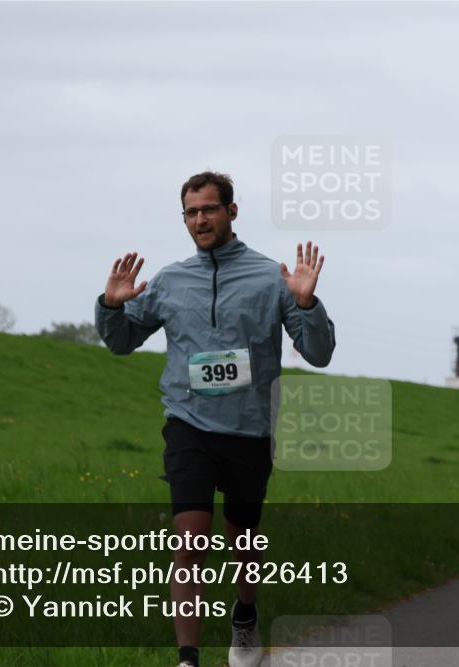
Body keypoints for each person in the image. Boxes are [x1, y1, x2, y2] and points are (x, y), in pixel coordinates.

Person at [95, 172, 336, 667]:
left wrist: (307, 303)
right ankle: (188, 658)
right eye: (191, 212)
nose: (200, 219)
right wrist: (110, 307)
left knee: (242, 544)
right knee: (190, 540)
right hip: (188, 425)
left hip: (250, 429)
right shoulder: (169, 280)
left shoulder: (271, 278)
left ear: (231, 211)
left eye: (209, 209)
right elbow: (121, 342)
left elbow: (319, 353)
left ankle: (245, 615)